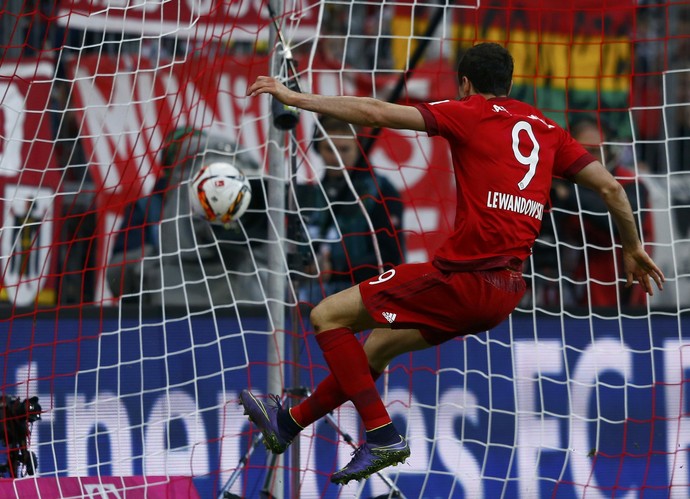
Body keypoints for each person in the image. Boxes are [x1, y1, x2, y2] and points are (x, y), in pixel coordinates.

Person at [239, 42, 665, 485]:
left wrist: (297, 98)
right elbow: (614, 190)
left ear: (465, 84)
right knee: (376, 349)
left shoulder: (471, 111)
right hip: (505, 295)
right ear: (510, 83)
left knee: (326, 316)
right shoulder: (547, 130)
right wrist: (632, 248)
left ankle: (382, 434)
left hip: (462, 280)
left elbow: (376, 113)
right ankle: (288, 423)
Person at [547, 116, 655, 308]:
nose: (592, 159)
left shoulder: (629, 183)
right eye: (585, 152)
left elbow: (619, 223)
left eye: (598, 150)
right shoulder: (557, 186)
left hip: (620, 289)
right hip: (564, 287)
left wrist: (570, 194)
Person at [297, 115, 405, 304]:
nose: (337, 157)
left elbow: (391, 261)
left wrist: (336, 269)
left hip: (367, 301)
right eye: (330, 149)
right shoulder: (308, 195)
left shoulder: (382, 192)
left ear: (359, 148)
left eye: (344, 149)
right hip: (310, 303)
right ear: (317, 149)